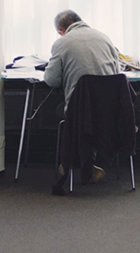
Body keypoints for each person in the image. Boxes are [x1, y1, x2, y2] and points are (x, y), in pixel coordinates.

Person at [44, 10, 121, 192]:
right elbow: (117, 73)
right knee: (89, 114)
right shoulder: (105, 38)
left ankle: (74, 161)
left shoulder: (62, 43)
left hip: (79, 113)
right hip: (110, 111)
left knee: (65, 111)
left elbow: (52, 80)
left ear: (62, 30)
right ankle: (90, 164)